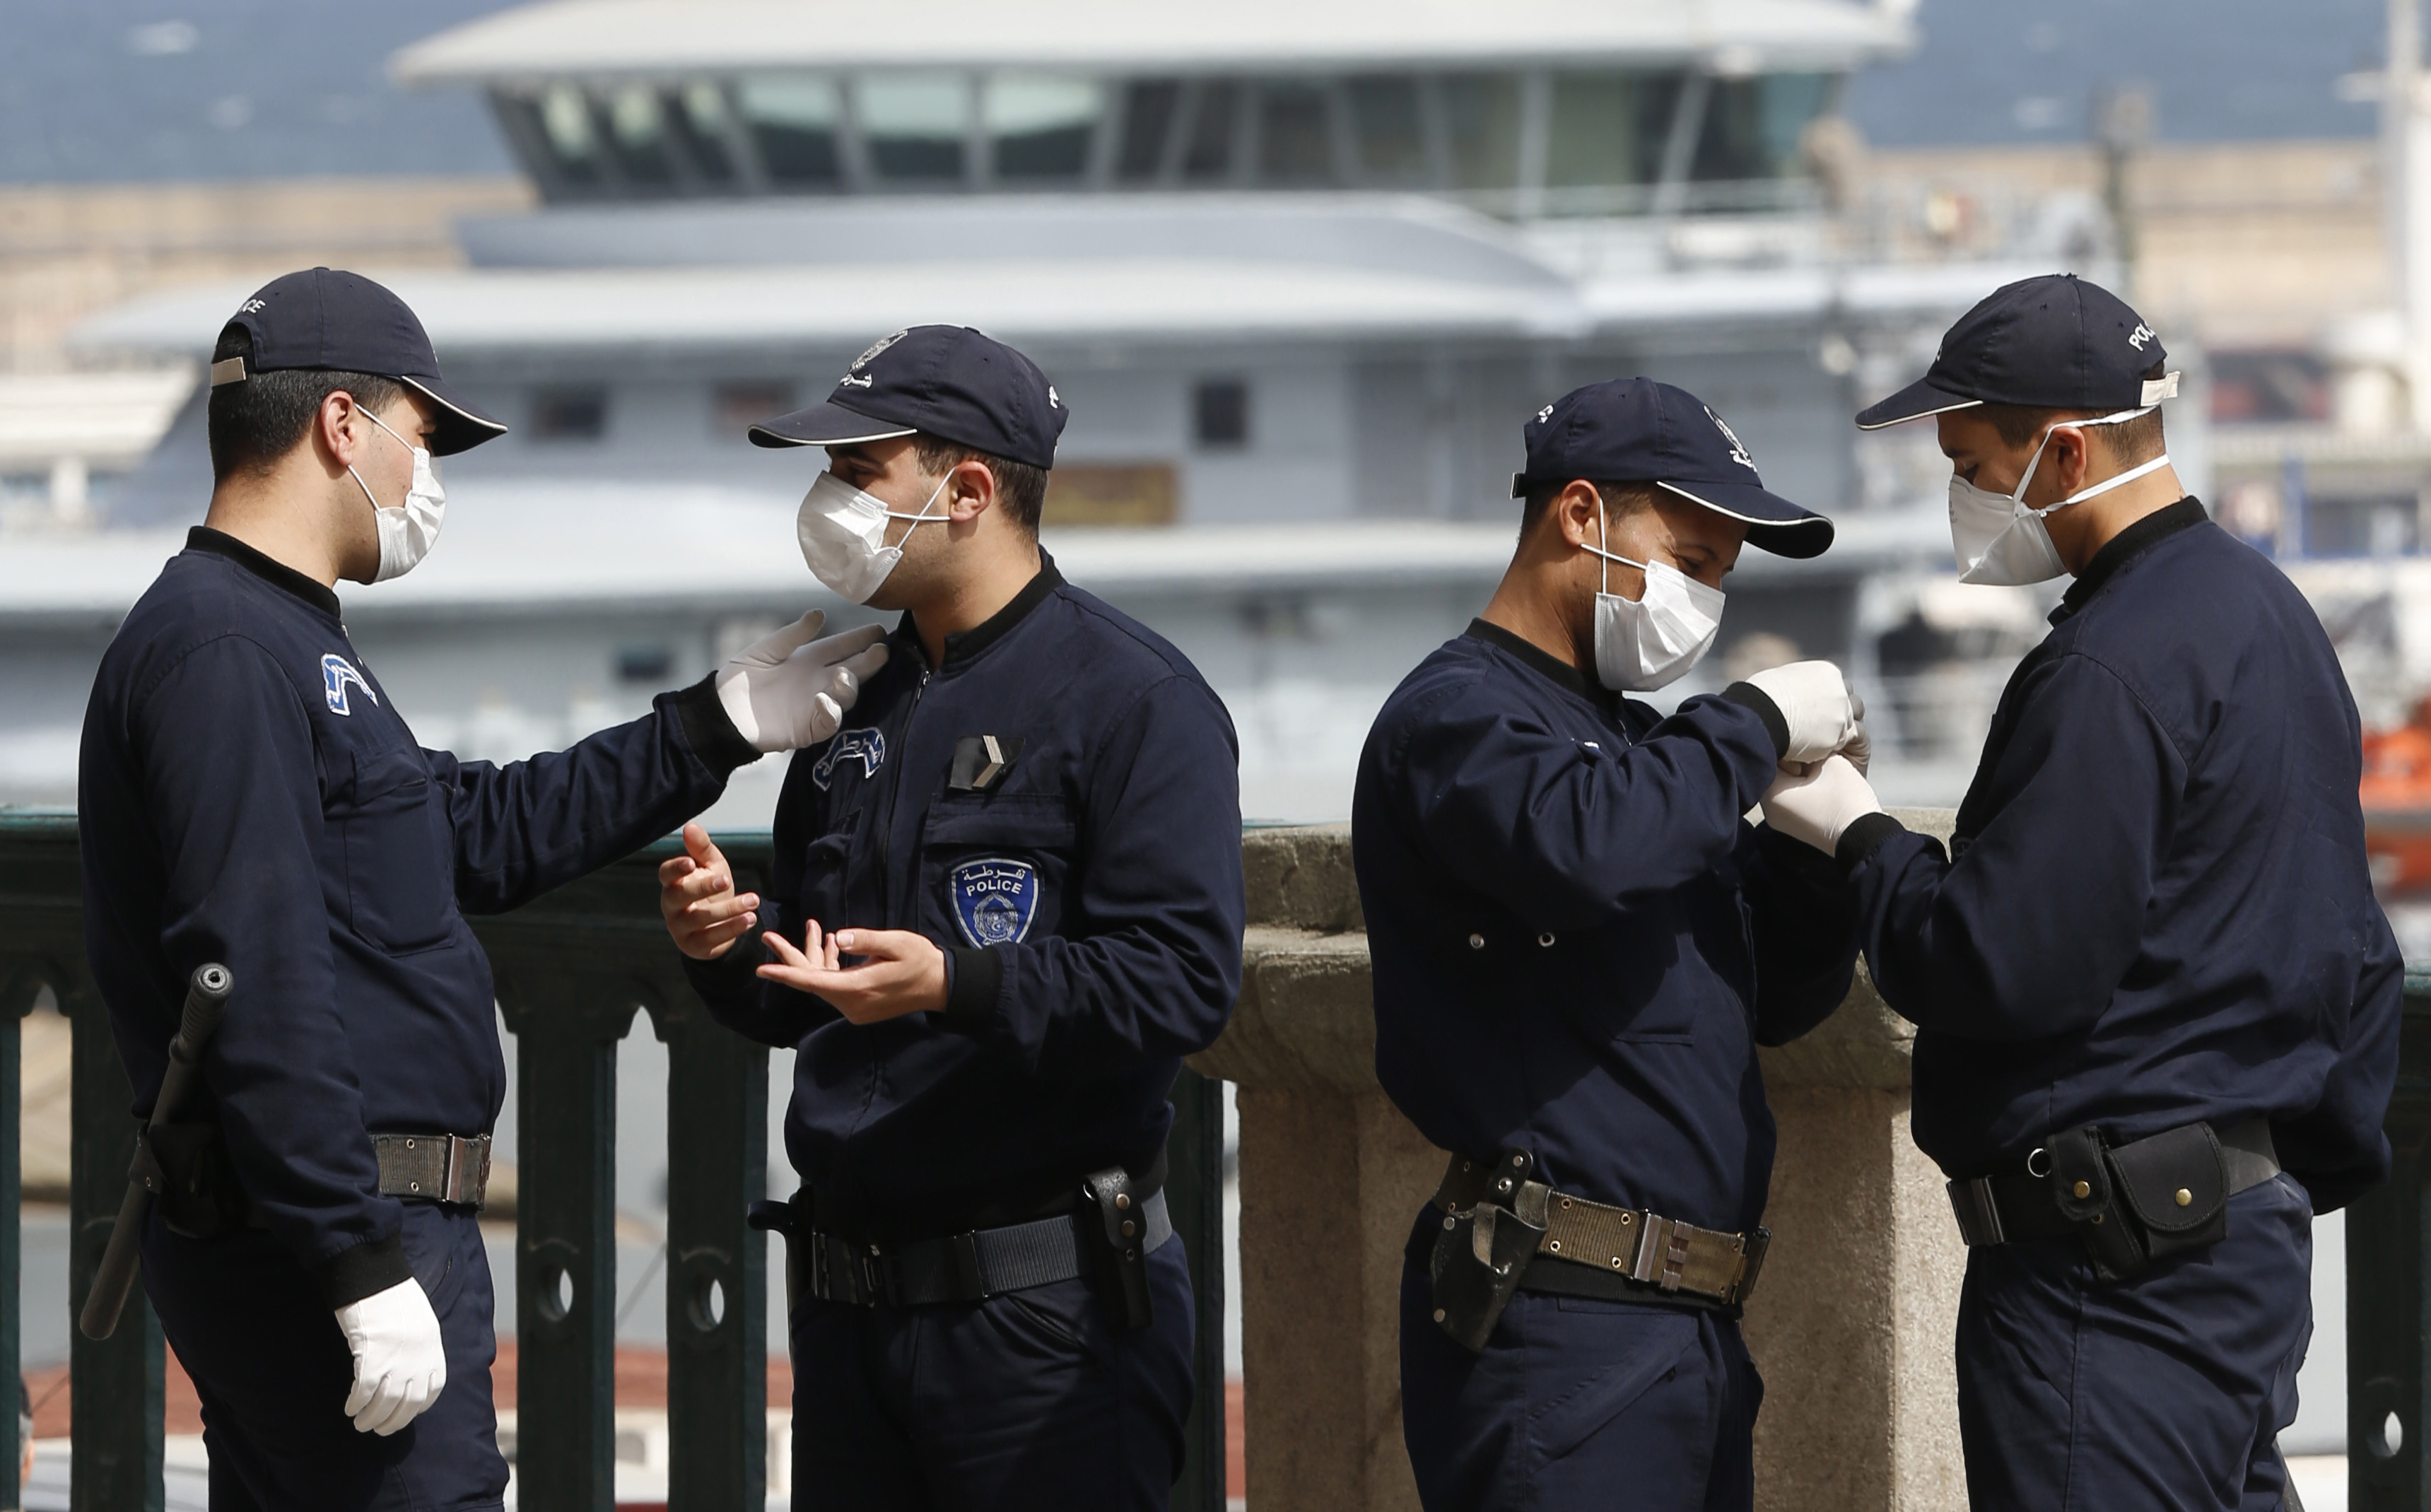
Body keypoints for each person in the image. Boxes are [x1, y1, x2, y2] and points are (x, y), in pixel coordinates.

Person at [78, 267, 887, 1511]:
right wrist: (354, 1262)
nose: (428, 474)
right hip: (333, 1231)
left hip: (341, 1225)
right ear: (340, 428)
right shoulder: (226, 649)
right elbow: (255, 969)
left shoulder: (286, 640)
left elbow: (471, 829)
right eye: (421, 433)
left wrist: (712, 726)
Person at [1762, 272, 2401, 1512]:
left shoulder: (2108, 663)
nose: (1961, 496)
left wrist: (1859, 837)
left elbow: (2000, 963)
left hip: (2108, 1280)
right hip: (2236, 1251)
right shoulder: (2270, 619)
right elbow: (2351, 952)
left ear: (2059, 452)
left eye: (1969, 459)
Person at [657, 324, 1246, 1508]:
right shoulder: (854, 698)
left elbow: (1183, 982)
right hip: (845, 1312)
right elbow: (820, 977)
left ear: (968, 490)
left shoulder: (1139, 700)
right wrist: (729, 943)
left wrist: (954, 984)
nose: (827, 501)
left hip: (1047, 1316)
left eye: (858, 472)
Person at [1352, 377, 1869, 1510]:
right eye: (1690, 555)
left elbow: (1768, 998)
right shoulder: (1460, 718)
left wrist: (1814, 855)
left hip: (1690, 1325)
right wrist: (1752, 723)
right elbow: (1580, 849)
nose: (1706, 596)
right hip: (1558, 1314)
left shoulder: (1638, 752)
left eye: (1724, 574)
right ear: (1580, 516)